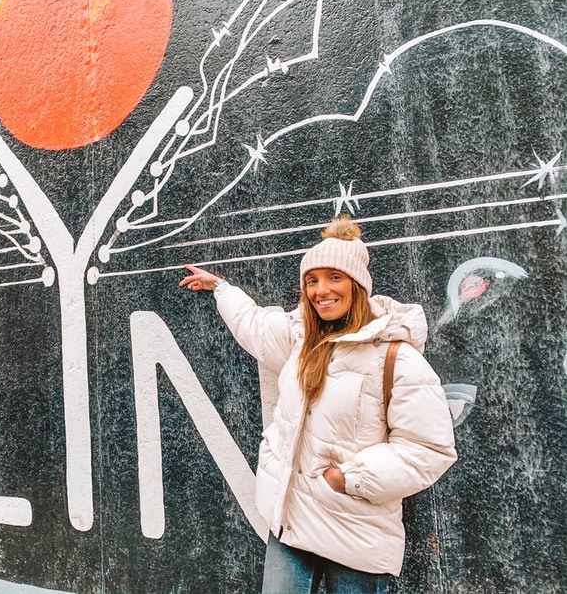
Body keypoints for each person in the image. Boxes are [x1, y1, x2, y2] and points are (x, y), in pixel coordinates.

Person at [179, 216, 456, 594]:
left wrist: (347, 479)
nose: (320, 290)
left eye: (334, 278)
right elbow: (255, 326)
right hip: (291, 523)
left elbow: (429, 448)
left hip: (356, 534)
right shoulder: (301, 340)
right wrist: (221, 288)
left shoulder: (396, 357)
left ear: (357, 284)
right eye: (312, 281)